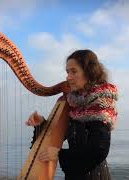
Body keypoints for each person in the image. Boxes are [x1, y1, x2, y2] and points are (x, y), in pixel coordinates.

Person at [26, 49, 118, 180]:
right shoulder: (73, 103)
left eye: (74, 71)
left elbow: (99, 150)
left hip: (93, 174)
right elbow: (59, 135)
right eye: (67, 72)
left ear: (89, 73)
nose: (68, 77)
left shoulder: (99, 104)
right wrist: (41, 123)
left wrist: (59, 154)